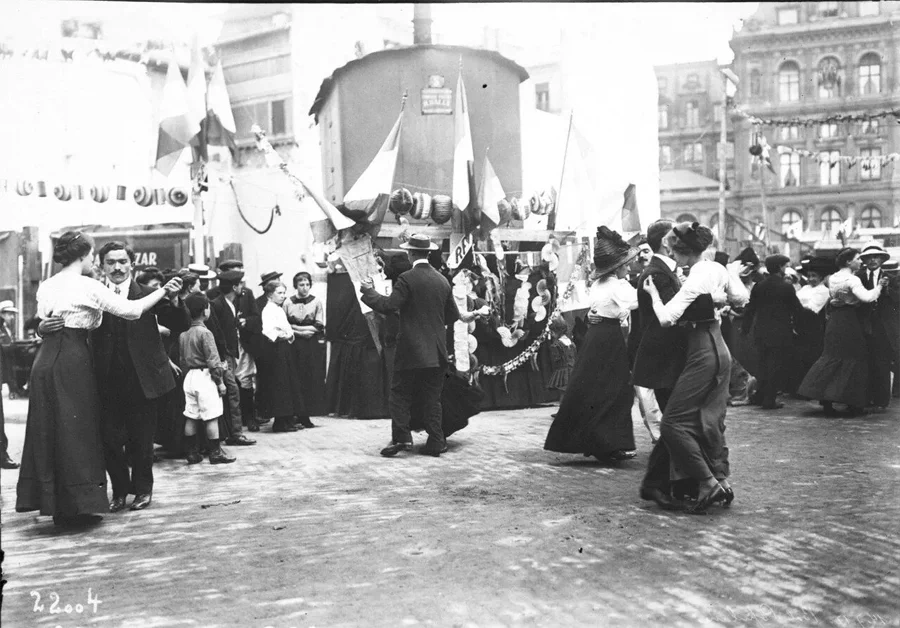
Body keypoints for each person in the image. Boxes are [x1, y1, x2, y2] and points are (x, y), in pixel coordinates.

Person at [18, 231, 182, 526]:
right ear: (87, 258)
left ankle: (77, 499)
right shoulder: (89, 286)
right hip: (86, 370)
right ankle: (104, 494)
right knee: (92, 437)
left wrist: (43, 329)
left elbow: (46, 318)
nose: (111, 266)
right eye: (100, 258)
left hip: (63, 364)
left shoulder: (48, 286)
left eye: (122, 261)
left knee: (67, 432)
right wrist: (164, 291)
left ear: (131, 264)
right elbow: (131, 311)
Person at [640, 222, 749, 514]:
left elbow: (666, 319)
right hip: (720, 346)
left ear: (684, 253)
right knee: (710, 418)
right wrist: (720, 294)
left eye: (676, 253)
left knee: (673, 424)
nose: (674, 258)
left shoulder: (692, 279)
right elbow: (741, 299)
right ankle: (721, 481)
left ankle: (708, 482)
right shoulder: (716, 268)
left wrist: (653, 296)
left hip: (702, 352)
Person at [360, 234, 464, 458]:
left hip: (411, 350)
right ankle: (437, 441)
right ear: (427, 253)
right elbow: (453, 315)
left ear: (411, 254)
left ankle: (402, 438)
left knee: (400, 394)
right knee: (432, 397)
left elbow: (388, 305)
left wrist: (368, 291)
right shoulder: (442, 280)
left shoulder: (406, 278)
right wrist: (431, 326)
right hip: (437, 351)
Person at [544, 226, 639, 462]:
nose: (628, 268)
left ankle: (600, 441)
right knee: (615, 389)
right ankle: (610, 442)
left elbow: (598, 309)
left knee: (593, 388)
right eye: (625, 265)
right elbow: (639, 301)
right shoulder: (619, 287)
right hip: (610, 339)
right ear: (617, 267)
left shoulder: (599, 285)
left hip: (596, 337)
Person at [798, 247, 887, 416]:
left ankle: (826, 399)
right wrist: (880, 287)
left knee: (831, 356)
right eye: (857, 259)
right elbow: (868, 297)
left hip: (835, 322)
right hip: (849, 322)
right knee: (854, 358)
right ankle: (853, 402)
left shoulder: (832, 278)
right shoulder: (852, 279)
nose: (860, 261)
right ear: (848, 262)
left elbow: (833, 298)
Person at [631, 219, 683, 440]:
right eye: (676, 236)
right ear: (665, 241)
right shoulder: (657, 274)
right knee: (672, 416)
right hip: (666, 357)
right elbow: (674, 315)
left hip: (665, 355)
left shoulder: (662, 271)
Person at [179, 293, 236, 464]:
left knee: (191, 414)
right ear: (205, 311)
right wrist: (219, 382)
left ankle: (191, 453)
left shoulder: (184, 335)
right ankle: (216, 453)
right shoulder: (206, 333)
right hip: (205, 377)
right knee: (211, 415)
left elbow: (182, 361)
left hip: (189, 377)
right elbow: (213, 361)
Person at [741, 254, 802, 410]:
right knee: (776, 366)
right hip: (781, 332)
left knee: (763, 364)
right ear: (780, 267)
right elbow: (796, 309)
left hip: (761, 331)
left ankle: (761, 396)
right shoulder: (786, 287)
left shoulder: (759, 286)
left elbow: (750, 309)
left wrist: (745, 329)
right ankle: (770, 400)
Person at [208, 260, 261, 431]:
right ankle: (232, 427)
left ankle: (249, 417)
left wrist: (247, 322)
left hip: (242, 344)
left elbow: (256, 317)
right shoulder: (215, 297)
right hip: (227, 349)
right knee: (231, 386)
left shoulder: (247, 294)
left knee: (245, 382)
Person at [256, 280, 311, 432]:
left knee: (288, 383)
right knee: (280, 384)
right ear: (269, 295)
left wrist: (288, 335)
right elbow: (269, 332)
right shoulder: (268, 310)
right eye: (279, 293)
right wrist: (284, 335)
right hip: (276, 351)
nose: (283, 296)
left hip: (284, 349)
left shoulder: (278, 309)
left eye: (284, 293)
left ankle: (287, 419)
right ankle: (280, 422)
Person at [284, 271, 327, 418]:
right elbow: (285, 325)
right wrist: (300, 332)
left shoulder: (316, 302)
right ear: (296, 285)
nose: (305, 288)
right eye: (301, 285)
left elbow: (319, 325)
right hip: (294, 343)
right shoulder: (288, 302)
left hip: (311, 343)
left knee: (312, 373)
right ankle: (298, 409)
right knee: (297, 374)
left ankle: (313, 408)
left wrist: (297, 329)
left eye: (307, 284)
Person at [856, 244, 893, 409]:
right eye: (868, 257)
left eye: (876, 257)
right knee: (863, 361)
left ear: (882, 259)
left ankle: (881, 400)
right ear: (863, 260)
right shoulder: (857, 277)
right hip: (862, 325)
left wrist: (886, 290)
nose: (872, 260)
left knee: (882, 362)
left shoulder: (893, 278)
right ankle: (864, 397)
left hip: (883, 327)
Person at [794, 257, 834, 386]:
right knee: (800, 357)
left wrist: (798, 307)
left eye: (814, 276)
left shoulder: (824, 290)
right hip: (800, 326)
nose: (811, 279)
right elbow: (793, 302)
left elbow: (812, 308)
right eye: (809, 276)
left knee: (811, 357)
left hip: (814, 327)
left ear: (821, 277)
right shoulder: (805, 288)